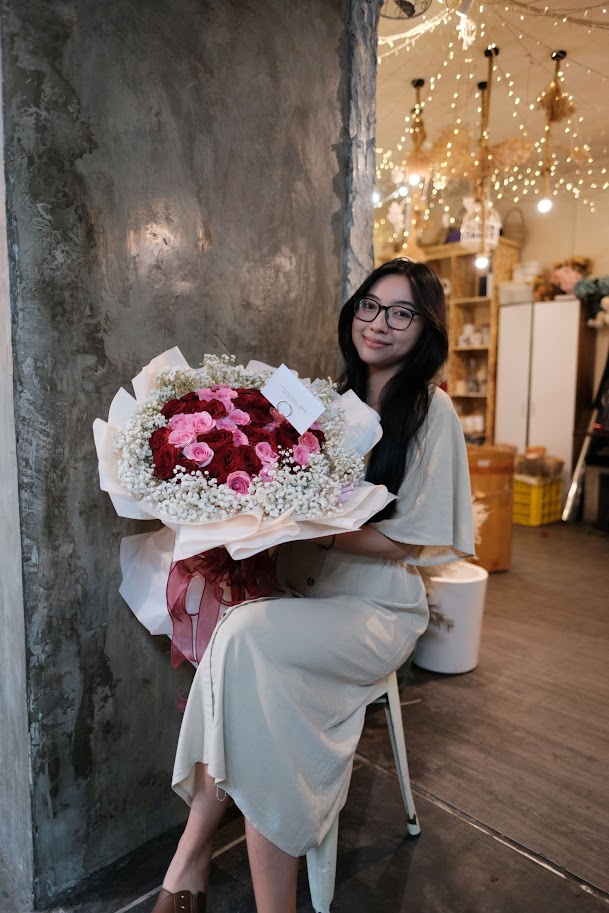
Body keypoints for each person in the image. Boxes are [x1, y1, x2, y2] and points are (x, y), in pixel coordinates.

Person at [151, 258, 474, 913]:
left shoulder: (430, 410)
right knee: (241, 654)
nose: (379, 323)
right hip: (301, 599)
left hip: (376, 607)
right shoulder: (324, 402)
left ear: (425, 329)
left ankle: (189, 862)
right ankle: (203, 866)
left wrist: (306, 528)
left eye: (402, 313)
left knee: (241, 636)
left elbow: (407, 542)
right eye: (369, 305)